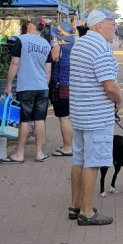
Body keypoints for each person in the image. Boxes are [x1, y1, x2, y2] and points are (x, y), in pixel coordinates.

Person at [69, 8, 122, 226]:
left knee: (79, 160)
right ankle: (87, 211)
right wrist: (119, 100)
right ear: (100, 25)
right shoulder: (101, 47)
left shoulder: (80, 43)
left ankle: (76, 205)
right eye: (112, 24)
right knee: (93, 162)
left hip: (80, 112)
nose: (115, 28)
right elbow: (109, 85)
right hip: (96, 114)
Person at [3, 16, 60, 163]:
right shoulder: (47, 45)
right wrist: (45, 86)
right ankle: (39, 153)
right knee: (40, 119)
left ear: (30, 26)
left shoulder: (21, 40)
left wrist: (9, 84)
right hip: (42, 87)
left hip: (26, 86)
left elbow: (15, 63)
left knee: (25, 120)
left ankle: (19, 154)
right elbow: (48, 69)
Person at [50, 20, 76, 156]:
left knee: (64, 118)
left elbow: (48, 64)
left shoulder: (58, 49)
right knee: (72, 117)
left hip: (62, 87)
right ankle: (74, 145)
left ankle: (67, 147)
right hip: (77, 86)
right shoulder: (78, 47)